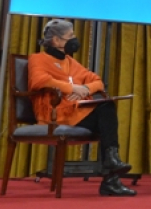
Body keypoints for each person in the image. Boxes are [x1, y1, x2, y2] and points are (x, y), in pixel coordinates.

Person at [28, 19, 136, 196]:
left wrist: (85, 88)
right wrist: (71, 88)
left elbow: (97, 81)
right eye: (70, 36)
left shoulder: (71, 62)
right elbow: (39, 80)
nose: (74, 39)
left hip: (76, 112)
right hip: (55, 113)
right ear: (56, 40)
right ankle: (111, 172)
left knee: (106, 112)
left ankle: (111, 169)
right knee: (106, 115)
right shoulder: (38, 59)